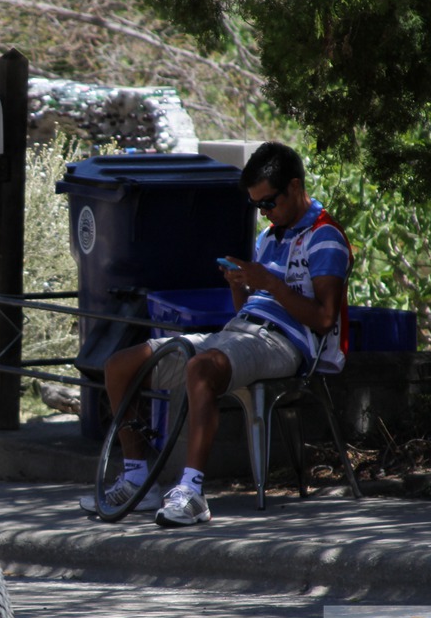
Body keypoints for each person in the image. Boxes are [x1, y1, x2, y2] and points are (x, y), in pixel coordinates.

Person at [79, 141, 351, 527]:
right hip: (242, 332)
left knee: (202, 367)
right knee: (122, 366)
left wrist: (268, 283)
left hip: (285, 343)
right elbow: (246, 311)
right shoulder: (271, 236)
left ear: (294, 187)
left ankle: (192, 491)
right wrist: (240, 283)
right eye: (257, 206)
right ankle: (138, 477)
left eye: (269, 202)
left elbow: (323, 320)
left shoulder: (325, 238)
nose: (265, 212)